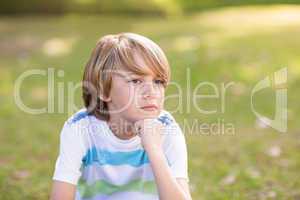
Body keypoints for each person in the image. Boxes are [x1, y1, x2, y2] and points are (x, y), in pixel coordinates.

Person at [50, 32, 192, 200]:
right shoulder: (80, 129)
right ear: (103, 89)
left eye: (158, 81)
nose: (151, 92)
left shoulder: (167, 129)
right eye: (136, 81)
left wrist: (154, 150)